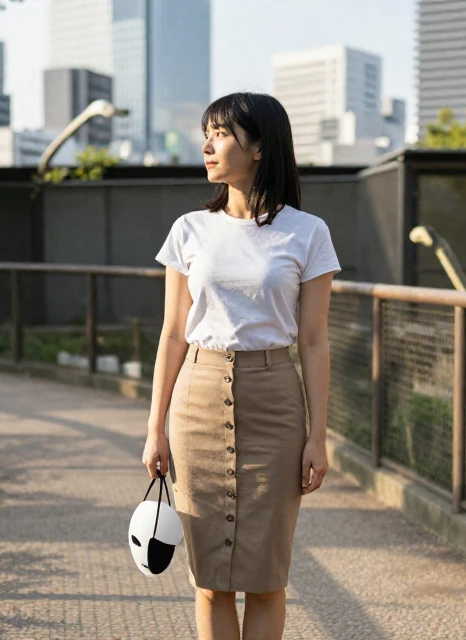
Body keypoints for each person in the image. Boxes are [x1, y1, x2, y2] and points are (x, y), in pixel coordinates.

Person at [143, 92, 341, 640]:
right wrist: (155, 427)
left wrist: (318, 437)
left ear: (257, 146)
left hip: (275, 402)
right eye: (207, 133)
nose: (207, 146)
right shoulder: (189, 230)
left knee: (267, 577)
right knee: (209, 579)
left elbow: (316, 341)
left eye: (221, 133)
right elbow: (171, 334)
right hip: (197, 401)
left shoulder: (308, 232)